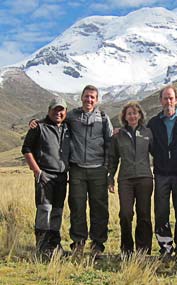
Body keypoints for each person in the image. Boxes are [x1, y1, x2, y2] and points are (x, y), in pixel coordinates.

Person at [29, 85, 113, 258]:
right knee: (77, 208)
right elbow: (54, 119)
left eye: (92, 97)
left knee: (99, 208)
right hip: (77, 171)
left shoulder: (104, 119)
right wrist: (35, 122)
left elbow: (110, 144)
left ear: (97, 100)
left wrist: (108, 170)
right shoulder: (72, 116)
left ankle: (97, 245)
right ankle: (78, 244)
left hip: (98, 170)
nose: (89, 100)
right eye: (86, 96)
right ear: (81, 97)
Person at [147, 85, 177, 263]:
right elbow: (149, 145)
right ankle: (165, 247)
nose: (168, 101)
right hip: (161, 174)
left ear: (176, 100)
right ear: (161, 101)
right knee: (161, 211)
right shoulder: (153, 123)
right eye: (165, 98)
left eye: (171, 98)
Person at [22, 98, 70, 257]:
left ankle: (54, 244)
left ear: (65, 112)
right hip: (45, 175)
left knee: (57, 209)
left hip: (62, 176)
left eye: (61, 110)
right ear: (49, 110)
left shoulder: (68, 127)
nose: (58, 113)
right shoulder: (39, 127)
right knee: (44, 209)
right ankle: (42, 245)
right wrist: (37, 171)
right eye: (55, 110)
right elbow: (26, 149)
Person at [108, 101, 154, 257]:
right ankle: (126, 249)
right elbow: (113, 159)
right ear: (124, 117)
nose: (133, 116)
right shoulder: (118, 135)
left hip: (145, 178)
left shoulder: (148, 133)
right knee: (125, 214)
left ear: (140, 115)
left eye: (135, 113)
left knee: (144, 214)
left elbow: (157, 154)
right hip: (125, 179)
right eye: (129, 113)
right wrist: (110, 178)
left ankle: (143, 250)